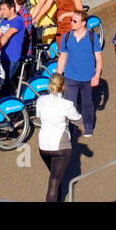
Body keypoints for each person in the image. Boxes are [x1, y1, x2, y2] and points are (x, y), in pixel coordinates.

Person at [34, 73, 83, 202]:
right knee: (54, 181)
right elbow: (78, 120)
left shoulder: (41, 100)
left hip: (43, 146)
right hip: (61, 148)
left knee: (55, 176)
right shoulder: (67, 104)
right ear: (64, 87)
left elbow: (39, 116)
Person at [56, 8, 102, 139]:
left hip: (88, 78)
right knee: (70, 105)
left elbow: (98, 58)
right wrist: (59, 76)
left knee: (87, 104)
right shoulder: (67, 37)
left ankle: (88, 127)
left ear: (83, 23)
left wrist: (97, 75)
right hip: (70, 77)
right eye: (71, 20)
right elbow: (62, 58)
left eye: (74, 21)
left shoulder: (92, 37)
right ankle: (70, 130)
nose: (71, 22)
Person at [0, 0, 26, 79]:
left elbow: (7, 35)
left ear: (12, 9)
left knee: (4, 83)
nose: (1, 12)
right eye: (1, 9)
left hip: (12, 58)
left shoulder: (18, 21)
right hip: (3, 56)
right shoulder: (4, 20)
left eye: (4, 9)